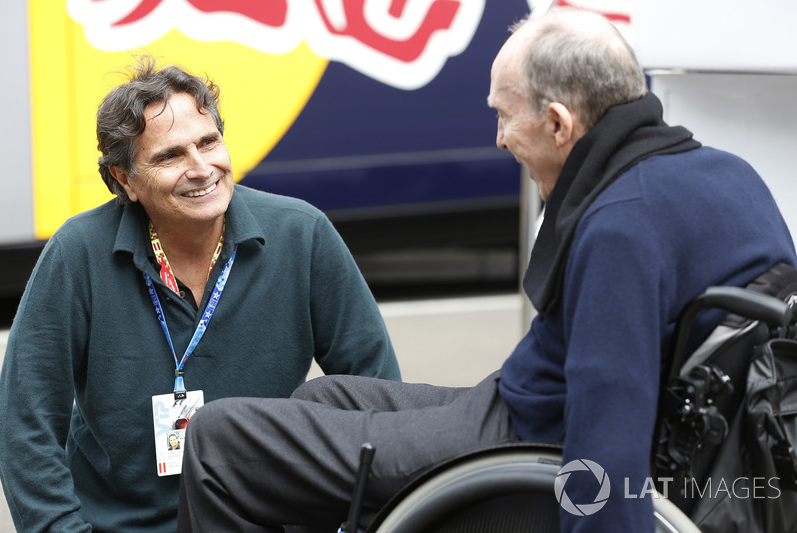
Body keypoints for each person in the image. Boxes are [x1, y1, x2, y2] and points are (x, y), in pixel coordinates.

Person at [176, 9, 797, 533]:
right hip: (527, 409)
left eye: (505, 115)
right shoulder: (724, 173)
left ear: (559, 124)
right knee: (323, 396)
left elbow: (606, 453)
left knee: (218, 442)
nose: (498, 138)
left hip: (521, 451)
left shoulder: (622, 227)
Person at [0, 57, 400, 532]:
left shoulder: (303, 233)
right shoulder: (78, 252)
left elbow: (378, 396)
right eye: (170, 156)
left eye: (209, 142)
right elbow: (26, 423)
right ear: (125, 180)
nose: (201, 168)